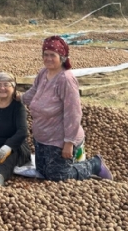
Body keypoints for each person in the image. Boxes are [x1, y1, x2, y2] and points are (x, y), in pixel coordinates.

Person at [17, 35, 113, 181]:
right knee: (42, 171)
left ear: (62, 57)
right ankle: (71, 163)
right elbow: (33, 92)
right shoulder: (43, 73)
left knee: (58, 176)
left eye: (52, 55)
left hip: (59, 139)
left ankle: (95, 164)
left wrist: (69, 142)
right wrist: (16, 97)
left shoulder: (66, 80)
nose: (48, 58)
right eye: (45, 55)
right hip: (42, 136)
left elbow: (73, 113)